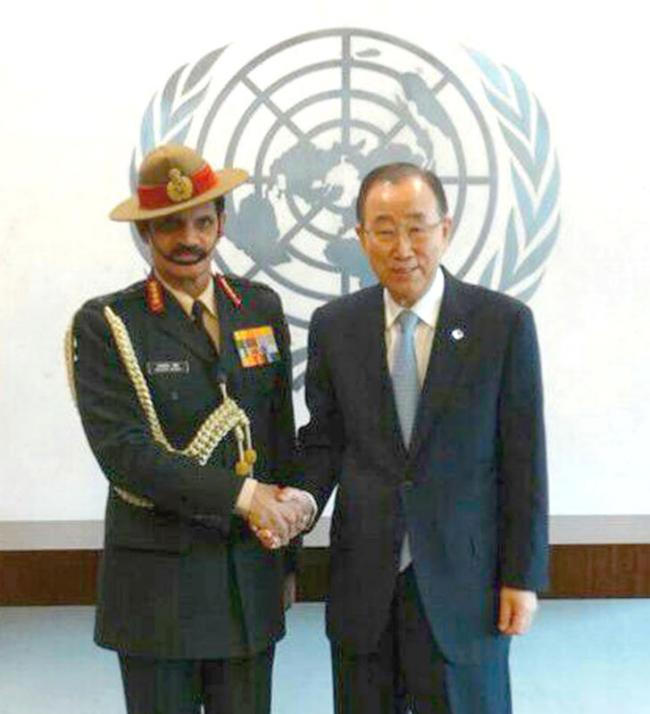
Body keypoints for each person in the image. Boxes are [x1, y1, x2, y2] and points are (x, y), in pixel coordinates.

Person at [296, 163, 549, 714]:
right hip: (364, 586)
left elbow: (524, 461)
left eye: (417, 227)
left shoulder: (501, 324)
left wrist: (523, 577)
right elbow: (325, 442)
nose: (402, 248)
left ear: (445, 229)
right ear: (361, 237)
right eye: (384, 230)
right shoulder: (335, 325)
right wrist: (298, 504)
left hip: (468, 588)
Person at [67, 144, 312, 714]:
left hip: (247, 581)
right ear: (146, 232)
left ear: (221, 223)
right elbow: (126, 455)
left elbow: (277, 436)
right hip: (158, 593)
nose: (189, 239)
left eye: (203, 222)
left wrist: (287, 561)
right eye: (170, 225)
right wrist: (246, 496)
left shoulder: (259, 307)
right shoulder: (108, 324)